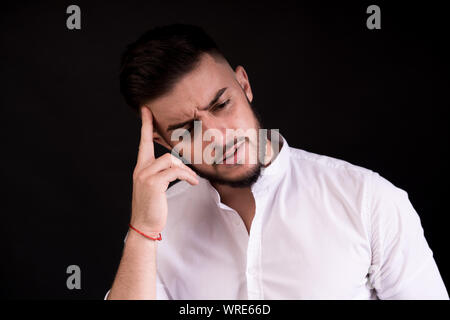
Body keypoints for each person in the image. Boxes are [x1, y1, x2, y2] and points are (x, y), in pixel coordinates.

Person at [105, 24, 448, 299]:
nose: (218, 137)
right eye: (186, 130)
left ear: (244, 85)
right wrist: (143, 233)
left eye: (222, 105)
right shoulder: (157, 226)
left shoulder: (368, 199)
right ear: (163, 142)